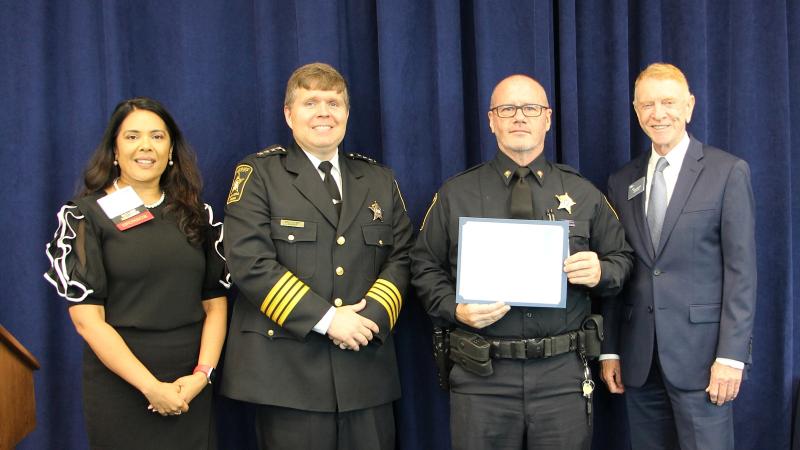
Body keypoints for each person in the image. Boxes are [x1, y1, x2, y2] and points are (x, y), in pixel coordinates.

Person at [410, 74, 633, 450]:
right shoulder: (455, 194)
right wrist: (455, 309)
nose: (519, 117)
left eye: (530, 108)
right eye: (507, 109)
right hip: (482, 375)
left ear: (547, 119)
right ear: (491, 120)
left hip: (561, 376)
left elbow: (622, 259)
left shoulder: (583, 193)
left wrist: (601, 271)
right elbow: (423, 266)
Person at [220, 62, 413, 450]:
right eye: (310, 103)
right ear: (288, 114)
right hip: (287, 377)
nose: (324, 112)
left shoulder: (379, 179)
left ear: (347, 113)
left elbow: (403, 256)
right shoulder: (258, 174)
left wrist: (368, 321)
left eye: (333, 103)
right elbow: (249, 262)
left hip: (365, 371)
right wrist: (329, 320)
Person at [43, 97, 229, 449]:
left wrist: (201, 376)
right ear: (114, 150)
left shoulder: (197, 215)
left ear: (171, 150)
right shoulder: (86, 216)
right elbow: (87, 321)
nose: (146, 146)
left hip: (189, 384)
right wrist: (150, 387)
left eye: (157, 136)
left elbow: (215, 305)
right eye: (132, 136)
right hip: (122, 386)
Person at [601, 63, 757, 450]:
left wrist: (732, 357)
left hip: (704, 361)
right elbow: (619, 268)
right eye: (647, 104)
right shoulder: (621, 181)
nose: (658, 113)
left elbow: (741, 273)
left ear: (689, 106)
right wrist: (610, 349)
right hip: (640, 360)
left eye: (668, 102)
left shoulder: (727, 172)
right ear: (636, 111)